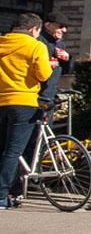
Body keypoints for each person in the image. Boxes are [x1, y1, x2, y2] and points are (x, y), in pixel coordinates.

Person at [7, 12, 74, 205]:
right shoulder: (38, 43)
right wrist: (49, 64)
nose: (64, 30)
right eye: (60, 26)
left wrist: (67, 59)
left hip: (46, 97)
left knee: (38, 143)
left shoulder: (58, 43)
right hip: (33, 97)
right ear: (46, 25)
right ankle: (16, 187)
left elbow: (66, 70)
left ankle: (28, 181)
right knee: (21, 145)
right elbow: (40, 72)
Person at [0, 13, 53, 210]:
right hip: (25, 102)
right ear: (33, 29)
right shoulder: (36, 46)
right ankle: (2, 195)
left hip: (1, 100)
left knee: (2, 149)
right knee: (14, 151)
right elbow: (43, 74)